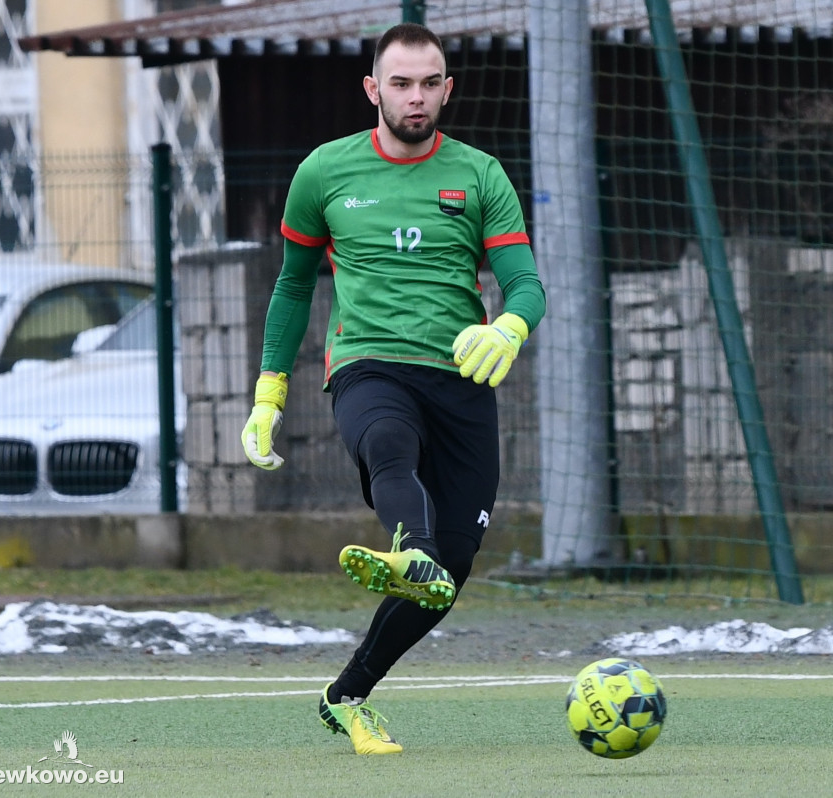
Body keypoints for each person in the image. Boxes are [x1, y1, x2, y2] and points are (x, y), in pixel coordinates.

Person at [240, 22, 546, 755]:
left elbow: (527, 285)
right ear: (373, 89)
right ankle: (410, 547)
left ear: (447, 89)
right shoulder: (324, 171)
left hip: (461, 378)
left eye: (429, 83)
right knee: (387, 442)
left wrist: (508, 329)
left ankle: (347, 695)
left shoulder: (480, 175)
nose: (416, 97)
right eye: (401, 83)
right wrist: (268, 393)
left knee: (455, 566)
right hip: (367, 363)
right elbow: (292, 287)